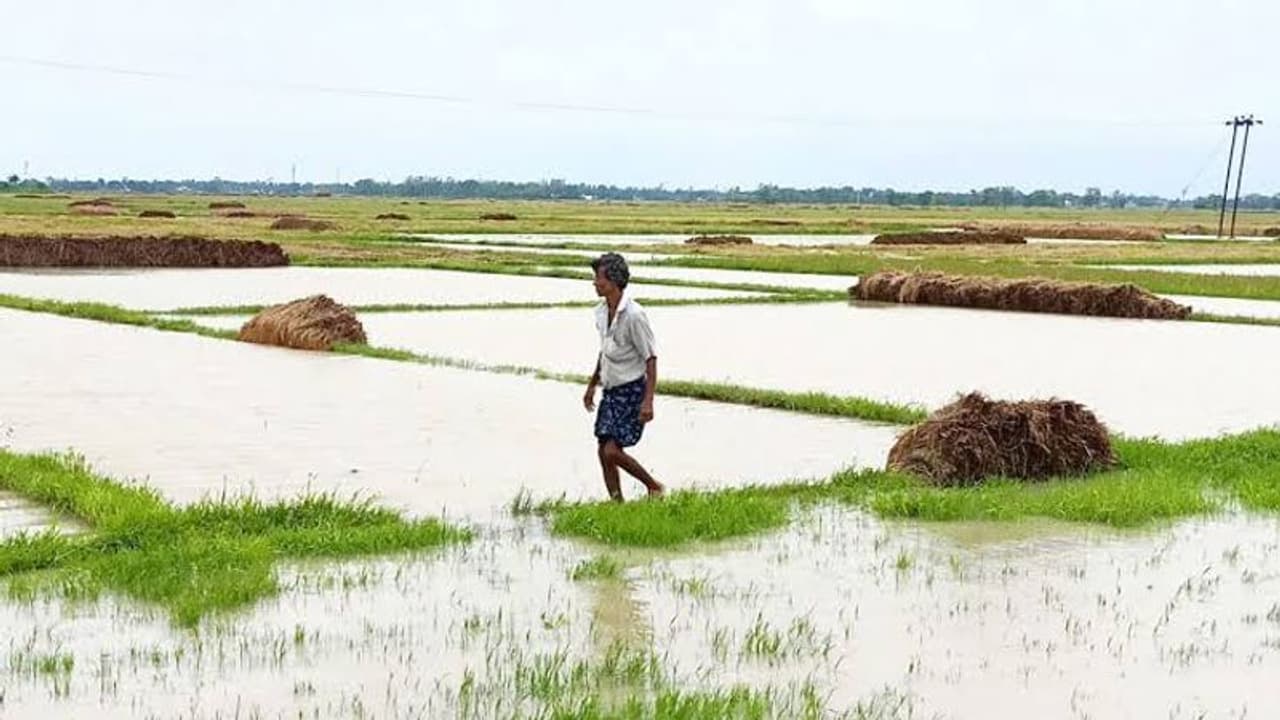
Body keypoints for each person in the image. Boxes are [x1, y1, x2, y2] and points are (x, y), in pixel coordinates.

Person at [583, 252, 665, 501]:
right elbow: (605, 351)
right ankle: (617, 503)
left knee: (611, 451)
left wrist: (648, 401)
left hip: (631, 391)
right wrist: (591, 385)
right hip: (611, 389)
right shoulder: (600, 312)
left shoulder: (634, 315)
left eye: (598, 278)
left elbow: (650, 358)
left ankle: (653, 486)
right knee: (602, 450)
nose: (595, 283)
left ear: (613, 281)